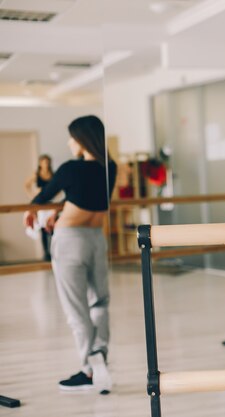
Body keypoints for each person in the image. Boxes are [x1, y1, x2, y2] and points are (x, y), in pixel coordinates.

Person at [23, 115, 117, 393]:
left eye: (72, 138)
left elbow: (38, 199)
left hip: (69, 241)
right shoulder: (110, 167)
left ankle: (88, 371)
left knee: (77, 310)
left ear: (83, 140)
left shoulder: (69, 169)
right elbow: (85, 197)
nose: (69, 142)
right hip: (96, 240)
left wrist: (43, 212)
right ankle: (99, 355)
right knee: (99, 302)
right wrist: (63, 208)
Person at [24, 154, 55, 261]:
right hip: (40, 203)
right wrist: (33, 195)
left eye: (47, 162)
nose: (46, 164)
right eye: (44, 162)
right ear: (40, 163)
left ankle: (53, 250)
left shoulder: (53, 174)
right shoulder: (36, 175)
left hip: (50, 203)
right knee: (42, 226)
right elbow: (26, 185)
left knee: (51, 226)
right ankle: (46, 253)